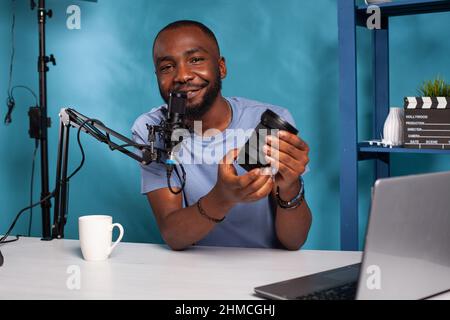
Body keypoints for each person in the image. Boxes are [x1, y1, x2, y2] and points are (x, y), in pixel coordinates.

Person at [132, 20, 311, 251]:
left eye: (195, 60)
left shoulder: (265, 122)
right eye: (167, 67)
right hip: (196, 271)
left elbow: (294, 241)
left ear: (221, 68)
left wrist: (290, 186)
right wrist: (222, 198)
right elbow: (174, 235)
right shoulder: (152, 128)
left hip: (266, 267)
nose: (182, 76)